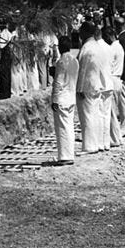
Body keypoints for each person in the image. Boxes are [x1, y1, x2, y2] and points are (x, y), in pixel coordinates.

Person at [76, 22, 109, 154]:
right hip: (98, 84)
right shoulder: (98, 47)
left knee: (87, 116)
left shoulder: (87, 48)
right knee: (96, 114)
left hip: (87, 85)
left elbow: (82, 70)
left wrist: (79, 88)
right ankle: (98, 142)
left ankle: (90, 145)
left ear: (84, 32)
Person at [50, 36, 78, 164]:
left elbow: (58, 82)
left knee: (62, 128)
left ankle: (65, 156)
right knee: (69, 127)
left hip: (62, 98)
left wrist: (54, 98)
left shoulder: (61, 62)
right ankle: (69, 154)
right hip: (71, 97)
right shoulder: (74, 61)